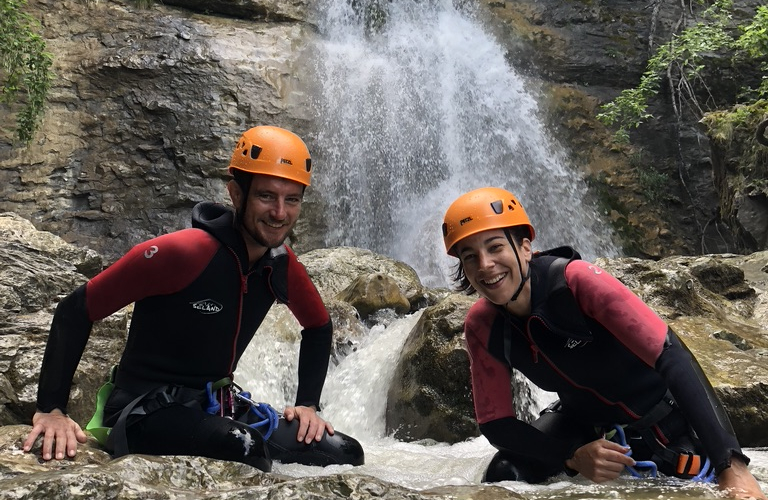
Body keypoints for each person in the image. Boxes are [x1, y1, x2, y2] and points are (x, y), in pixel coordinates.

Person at [22, 125, 364, 472]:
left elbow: (319, 326)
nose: (279, 212)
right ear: (236, 194)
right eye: (266, 196)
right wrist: (52, 410)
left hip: (216, 406)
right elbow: (75, 310)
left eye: (292, 200)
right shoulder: (185, 252)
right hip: (143, 409)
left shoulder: (280, 264)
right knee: (245, 446)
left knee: (345, 453)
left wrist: (307, 404)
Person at [441, 187, 766, 499]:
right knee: (505, 471)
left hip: (661, 420)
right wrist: (571, 456)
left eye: (495, 247)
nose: (485, 265)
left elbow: (671, 356)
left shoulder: (576, 282)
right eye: (470, 257)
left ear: (525, 247)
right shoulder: (483, 325)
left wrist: (732, 466)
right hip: (582, 425)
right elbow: (496, 423)